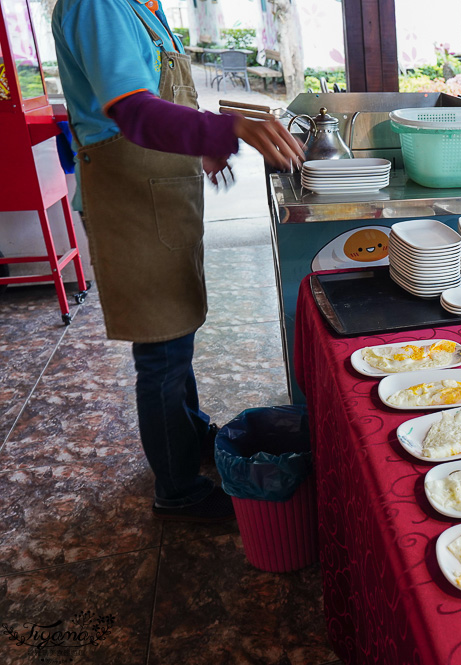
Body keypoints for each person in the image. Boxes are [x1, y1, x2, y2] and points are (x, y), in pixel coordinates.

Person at [52, 0, 304, 522]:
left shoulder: (142, 7)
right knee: (160, 351)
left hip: (159, 189)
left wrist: (201, 146)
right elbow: (134, 112)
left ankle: (187, 435)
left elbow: (164, 104)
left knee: (176, 330)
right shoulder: (96, 5)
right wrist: (221, 131)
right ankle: (177, 488)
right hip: (129, 199)